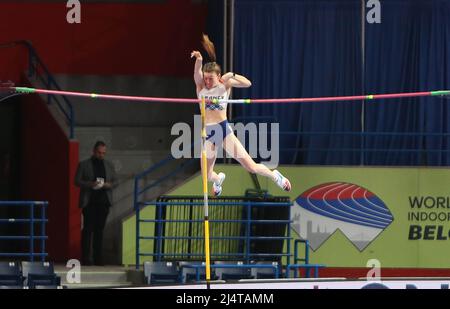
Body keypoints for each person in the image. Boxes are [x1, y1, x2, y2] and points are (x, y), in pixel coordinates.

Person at [191, 34, 291, 196]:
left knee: (250, 166)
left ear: (219, 77)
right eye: (206, 78)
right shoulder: (201, 87)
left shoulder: (225, 85)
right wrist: (199, 60)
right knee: (206, 176)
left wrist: (233, 75)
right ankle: (218, 181)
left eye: (211, 79)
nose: (207, 82)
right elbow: (197, 73)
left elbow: (248, 83)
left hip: (223, 131)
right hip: (208, 134)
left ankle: (275, 176)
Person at [75, 141, 117, 265]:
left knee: (99, 231)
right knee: (87, 230)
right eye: (99, 152)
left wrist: (109, 185)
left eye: (103, 153)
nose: (101, 155)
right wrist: (91, 184)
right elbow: (77, 181)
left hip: (104, 202)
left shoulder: (109, 165)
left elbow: (116, 181)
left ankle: (98, 259)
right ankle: (86, 259)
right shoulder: (84, 164)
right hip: (89, 202)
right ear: (94, 151)